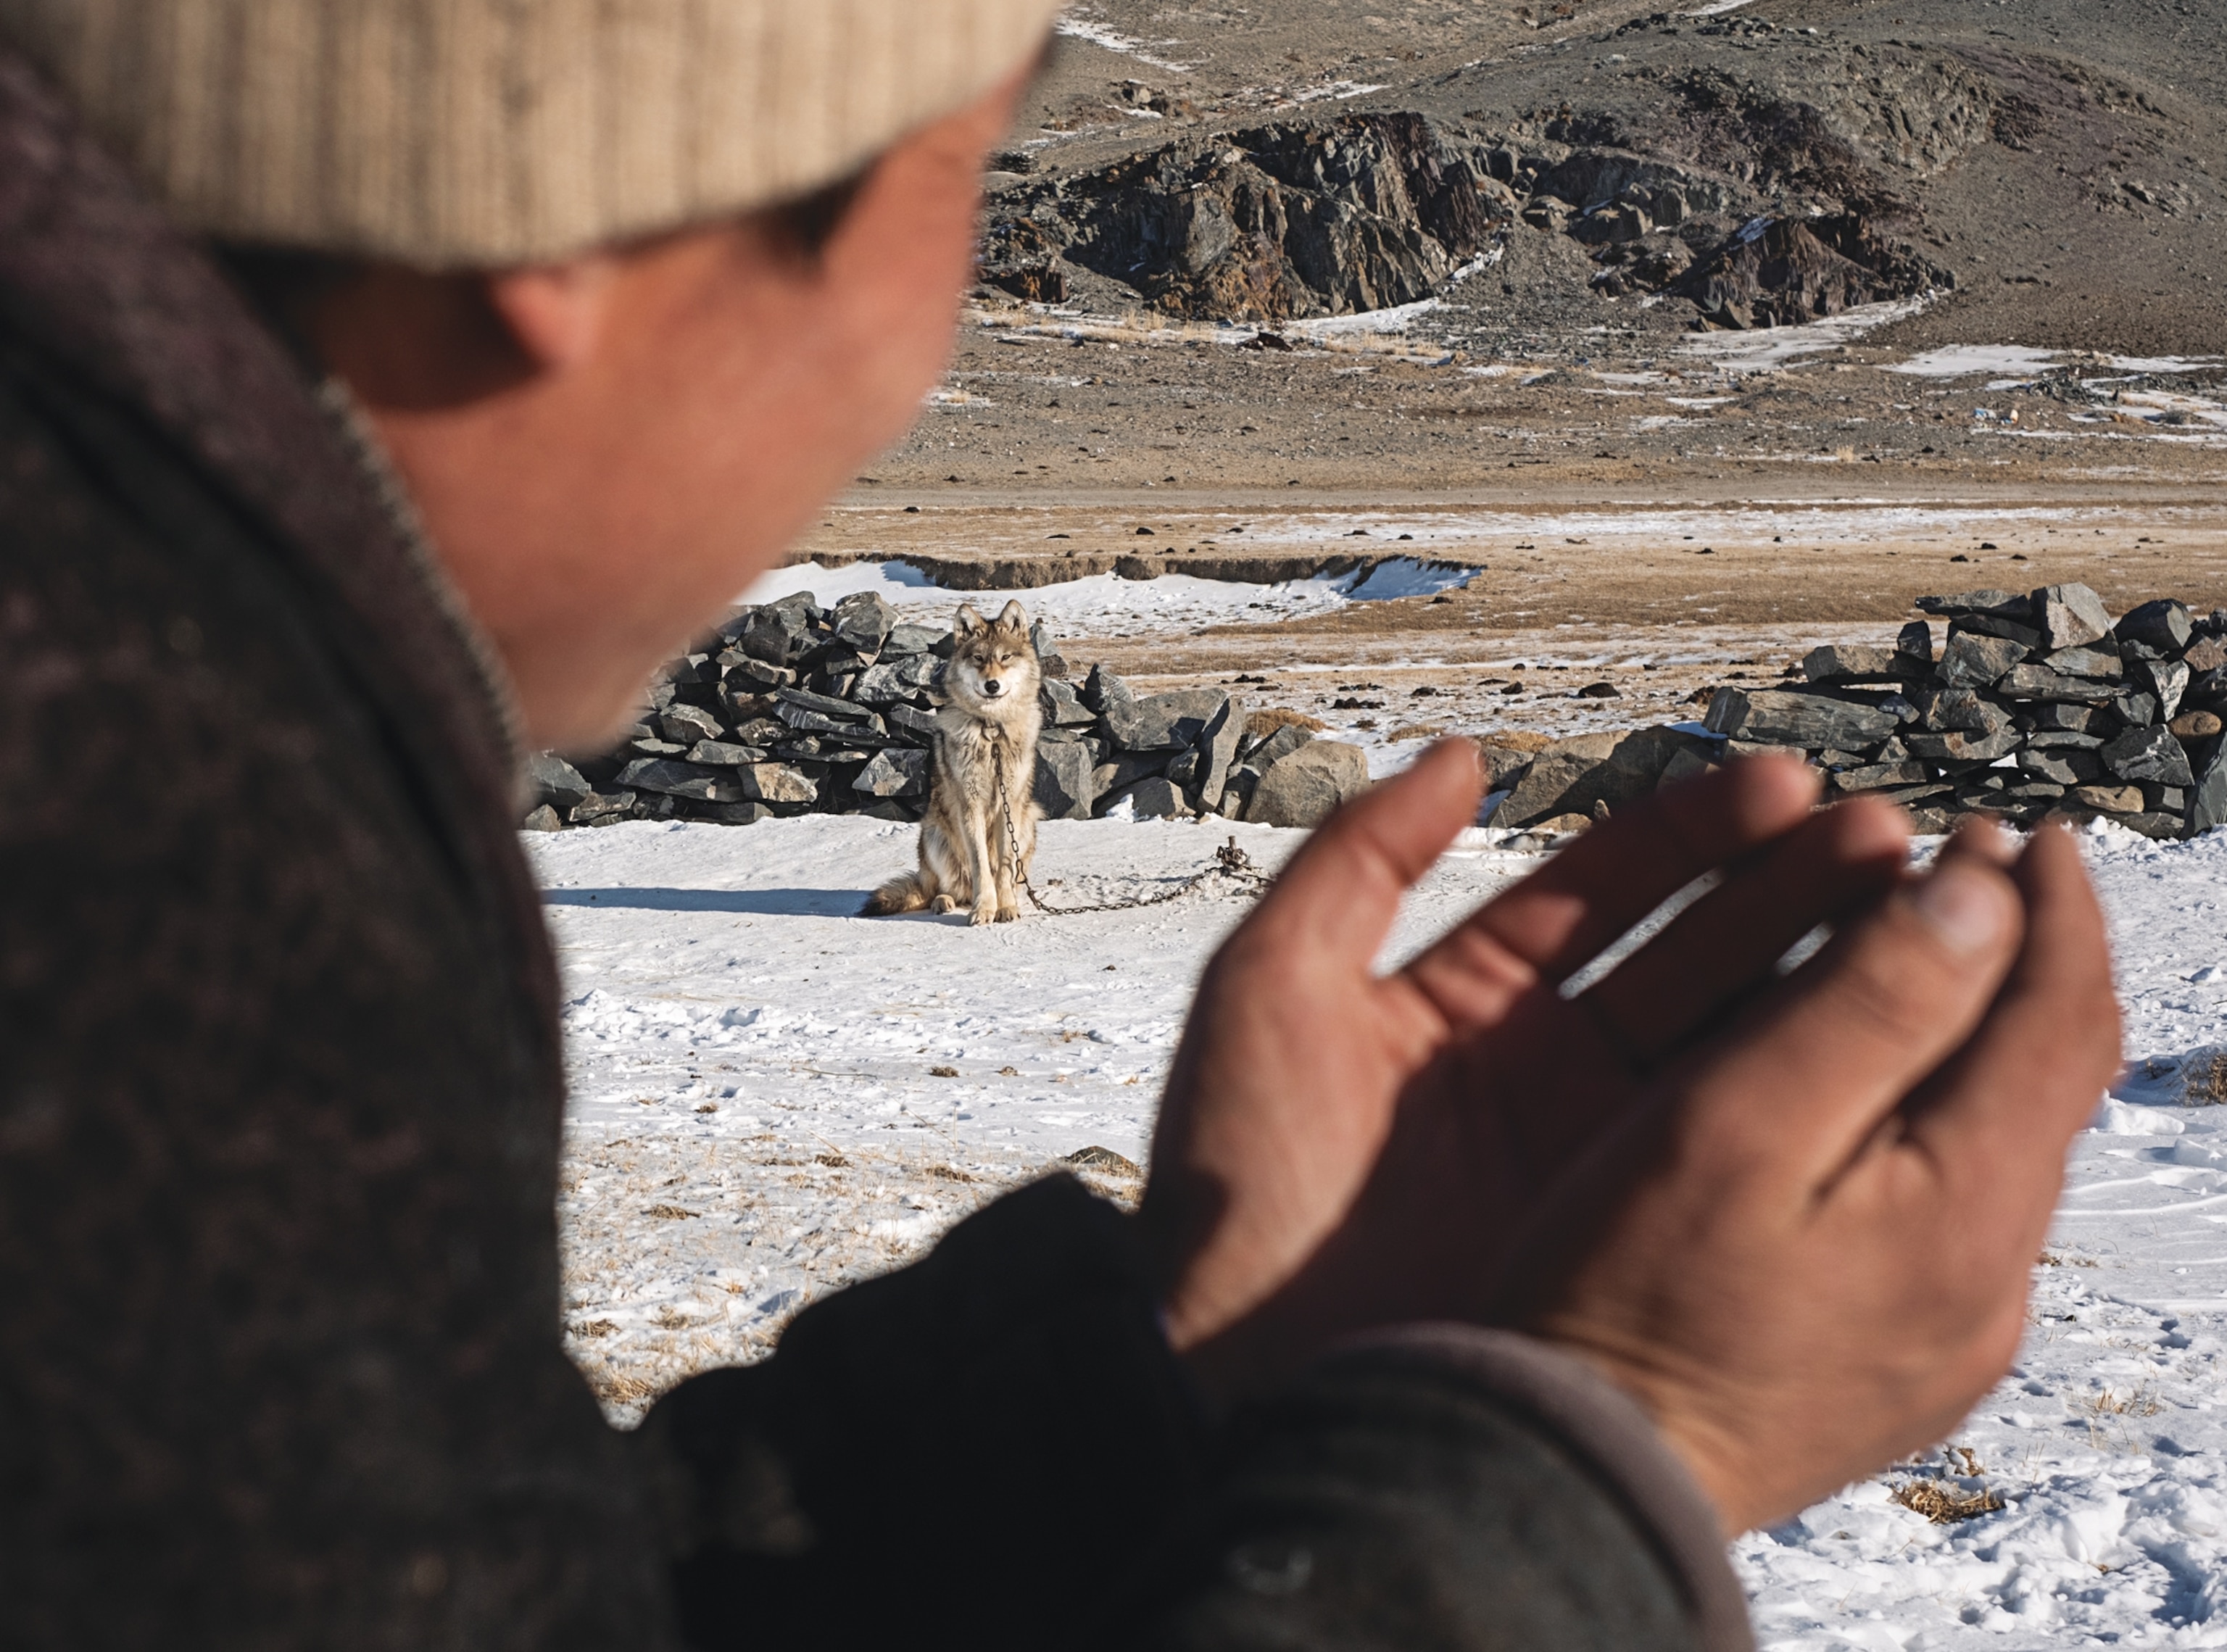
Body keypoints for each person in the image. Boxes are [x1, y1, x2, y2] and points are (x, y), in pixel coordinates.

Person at [0, 3, 2120, 1648]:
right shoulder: (153, 901)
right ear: (583, 209)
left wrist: (1197, 1367)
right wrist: (1600, 1453)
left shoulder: (148, 697)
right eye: (960, 180)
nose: (929, 356)